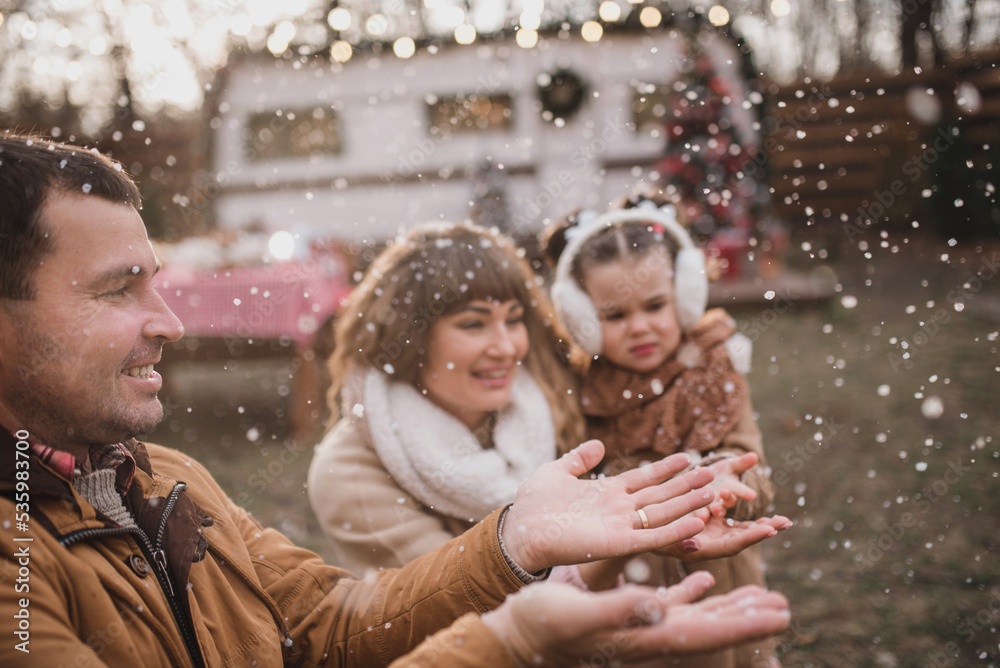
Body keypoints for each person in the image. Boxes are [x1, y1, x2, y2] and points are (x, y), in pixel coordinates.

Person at [0, 132, 790, 667]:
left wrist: (517, 539)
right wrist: (516, 633)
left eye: (157, 282)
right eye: (115, 291)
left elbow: (330, 623)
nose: (170, 323)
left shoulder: (170, 477)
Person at [308, 222, 788, 590]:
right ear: (408, 339)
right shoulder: (350, 472)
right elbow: (461, 599)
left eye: (514, 320)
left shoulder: (549, 402)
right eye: (474, 325)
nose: (506, 347)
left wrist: (721, 476)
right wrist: (629, 538)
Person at [543, 195, 784, 667]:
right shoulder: (582, 393)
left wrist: (725, 481)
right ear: (583, 320)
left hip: (722, 585)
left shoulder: (714, 371)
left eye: (655, 306)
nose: (640, 327)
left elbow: (752, 470)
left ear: (686, 296)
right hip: (632, 595)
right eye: (615, 315)